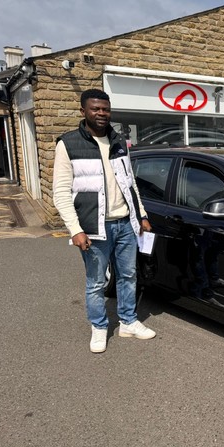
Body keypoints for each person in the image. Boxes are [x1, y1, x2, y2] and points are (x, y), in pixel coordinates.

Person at [53, 88, 156, 353]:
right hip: (95, 228)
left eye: (105, 109)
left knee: (128, 275)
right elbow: (61, 192)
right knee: (96, 282)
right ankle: (99, 327)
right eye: (95, 109)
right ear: (83, 111)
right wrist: (75, 230)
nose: (101, 113)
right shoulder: (68, 143)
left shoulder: (119, 141)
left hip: (126, 223)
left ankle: (128, 322)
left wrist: (141, 215)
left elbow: (130, 182)